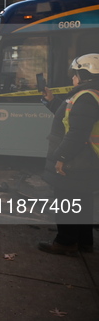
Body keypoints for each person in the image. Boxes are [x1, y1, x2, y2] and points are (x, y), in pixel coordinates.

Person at [38, 53, 99, 256]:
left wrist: (61, 158)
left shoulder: (86, 97)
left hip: (77, 161)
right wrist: (52, 101)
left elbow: (76, 133)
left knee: (67, 201)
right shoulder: (89, 96)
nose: (72, 79)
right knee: (81, 201)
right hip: (86, 160)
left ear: (84, 74)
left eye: (75, 75)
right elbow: (70, 118)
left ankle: (65, 243)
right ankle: (83, 242)